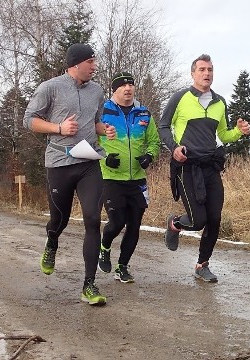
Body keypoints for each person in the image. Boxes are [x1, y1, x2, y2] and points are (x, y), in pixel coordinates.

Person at [23, 43, 116, 306]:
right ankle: (52, 242)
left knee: (92, 218)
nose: (94, 66)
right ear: (76, 64)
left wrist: (104, 129)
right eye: (90, 62)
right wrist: (59, 127)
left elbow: (94, 121)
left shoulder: (97, 91)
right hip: (59, 162)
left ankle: (89, 284)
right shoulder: (50, 87)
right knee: (59, 220)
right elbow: (29, 119)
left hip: (88, 162)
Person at [158, 54, 250, 283]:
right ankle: (174, 223)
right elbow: (162, 126)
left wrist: (239, 131)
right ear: (193, 73)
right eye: (201, 69)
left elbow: (223, 135)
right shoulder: (180, 97)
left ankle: (202, 265)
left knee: (215, 218)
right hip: (186, 167)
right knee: (197, 220)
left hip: (210, 166)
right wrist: (173, 147)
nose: (206, 73)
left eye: (210, 69)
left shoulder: (219, 102)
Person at [97, 72, 160, 284]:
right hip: (111, 177)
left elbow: (154, 142)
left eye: (131, 84)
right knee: (117, 222)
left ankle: (122, 267)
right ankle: (104, 247)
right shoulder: (103, 111)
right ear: (114, 89)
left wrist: (149, 156)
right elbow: (90, 142)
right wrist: (105, 159)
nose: (128, 88)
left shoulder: (144, 113)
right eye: (123, 85)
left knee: (134, 225)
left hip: (137, 179)